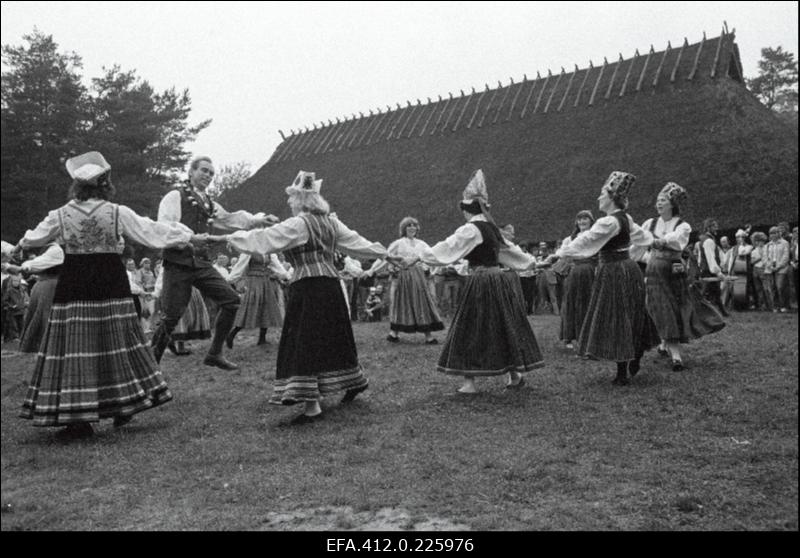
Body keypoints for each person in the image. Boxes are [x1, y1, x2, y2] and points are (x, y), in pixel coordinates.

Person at [14, 151, 198, 438]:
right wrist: (185, 237)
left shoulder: (59, 215)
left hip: (74, 286)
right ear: (105, 185)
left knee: (76, 348)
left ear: (77, 186)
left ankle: (78, 417)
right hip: (111, 284)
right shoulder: (117, 212)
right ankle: (124, 404)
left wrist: (20, 246)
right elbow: (151, 232)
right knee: (118, 342)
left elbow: (34, 237)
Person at [215, 170, 391, 424]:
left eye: (292, 197)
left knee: (304, 340)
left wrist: (227, 237)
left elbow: (265, 240)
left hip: (308, 287)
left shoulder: (299, 224)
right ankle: (352, 381)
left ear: (300, 199)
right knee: (335, 336)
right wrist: (384, 253)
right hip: (330, 285)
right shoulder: (332, 222)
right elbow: (357, 242)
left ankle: (312, 407)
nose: (288, 201)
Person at [413, 169, 544, 394]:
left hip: (480, 282)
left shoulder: (472, 229)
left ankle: (469, 382)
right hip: (498, 282)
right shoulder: (492, 229)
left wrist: (419, 255)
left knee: (470, 327)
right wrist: (532, 262)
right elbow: (510, 253)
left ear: (466, 210)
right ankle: (514, 374)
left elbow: (448, 248)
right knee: (503, 326)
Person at [150, 155, 277, 370]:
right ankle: (150, 366)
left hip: (201, 263)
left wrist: (258, 219)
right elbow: (164, 225)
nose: (208, 176)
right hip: (178, 262)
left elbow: (230, 219)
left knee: (231, 300)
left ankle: (214, 353)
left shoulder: (208, 202)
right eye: (204, 170)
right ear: (191, 172)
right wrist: (189, 237)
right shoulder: (175, 195)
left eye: (211, 173)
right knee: (171, 316)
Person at [552, 171, 659, 386]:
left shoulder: (609, 221)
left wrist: (558, 255)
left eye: (602, 194)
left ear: (611, 197)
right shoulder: (625, 218)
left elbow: (587, 241)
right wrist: (656, 243)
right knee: (630, 312)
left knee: (617, 314)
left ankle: (623, 369)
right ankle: (632, 355)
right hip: (628, 268)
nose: (599, 198)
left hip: (614, 271)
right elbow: (644, 237)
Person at [638, 183, 724, 371]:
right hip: (654, 272)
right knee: (660, 307)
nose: (659, 204)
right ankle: (675, 355)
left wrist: (661, 242)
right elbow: (639, 247)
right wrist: (649, 257)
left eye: (663, 201)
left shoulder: (683, 225)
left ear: (672, 204)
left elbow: (676, 239)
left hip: (674, 272)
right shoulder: (649, 223)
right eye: (658, 201)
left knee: (676, 307)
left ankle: (666, 343)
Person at [365, 217, 444, 344]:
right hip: (403, 277)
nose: (412, 228)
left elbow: (431, 256)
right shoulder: (398, 243)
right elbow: (385, 257)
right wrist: (372, 270)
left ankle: (428, 335)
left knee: (421, 302)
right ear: (404, 228)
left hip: (418, 277)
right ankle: (394, 333)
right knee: (401, 302)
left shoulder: (422, 244)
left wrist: (432, 271)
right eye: (409, 225)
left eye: (414, 225)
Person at [5, 242, 64, 353]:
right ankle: (39, 344)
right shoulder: (47, 250)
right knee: (38, 315)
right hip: (43, 285)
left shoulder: (55, 250)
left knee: (45, 315)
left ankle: (48, 343)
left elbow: (36, 264)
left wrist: (19, 267)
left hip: (49, 286)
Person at [225, 251, 291, 348]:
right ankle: (232, 334)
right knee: (249, 307)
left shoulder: (268, 251)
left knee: (266, 308)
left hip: (265, 281)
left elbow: (276, 266)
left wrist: (286, 276)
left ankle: (262, 338)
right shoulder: (249, 250)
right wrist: (229, 280)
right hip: (253, 281)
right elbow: (240, 266)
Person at [558, 210, 597, 350]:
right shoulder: (570, 239)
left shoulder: (595, 236)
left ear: (591, 221)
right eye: (579, 219)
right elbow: (563, 254)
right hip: (575, 271)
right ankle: (569, 336)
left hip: (591, 271)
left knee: (588, 302)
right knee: (571, 301)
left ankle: (587, 337)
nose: (582, 222)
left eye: (585, 219)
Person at [152, 270, 210, 356]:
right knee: (178, 319)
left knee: (187, 319)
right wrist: (156, 294)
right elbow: (162, 277)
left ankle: (177, 345)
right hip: (177, 291)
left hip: (190, 290)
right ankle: (167, 344)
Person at [698, 218, 729, 317]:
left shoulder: (705, 239)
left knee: (716, 293)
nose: (717, 228)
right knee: (703, 294)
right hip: (709, 272)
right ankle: (696, 313)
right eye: (714, 226)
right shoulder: (708, 241)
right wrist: (718, 273)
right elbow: (710, 258)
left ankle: (723, 313)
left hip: (707, 270)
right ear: (708, 227)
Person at [764, 225, 791, 313]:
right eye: (771, 233)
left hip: (781, 268)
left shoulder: (784, 243)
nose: (773, 235)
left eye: (774, 233)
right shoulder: (768, 245)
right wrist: (770, 266)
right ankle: (776, 306)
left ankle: (784, 305)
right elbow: (765, 258)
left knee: (780, 287)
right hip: (770, 268)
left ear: (778, 233)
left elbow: (786, 256)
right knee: (773, 288)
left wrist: (778, 266)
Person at [535, 242, 560, 315]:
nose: (543, 252)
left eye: (544, 250)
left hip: (550, 278)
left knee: (553, 296)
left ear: (548, 250)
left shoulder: (552, 257)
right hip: (541, 278)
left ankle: (556, 312)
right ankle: (544, 312)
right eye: (542, 250)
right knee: (542, 296)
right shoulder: (538, 258)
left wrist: (541, 266)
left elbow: (551, 262)